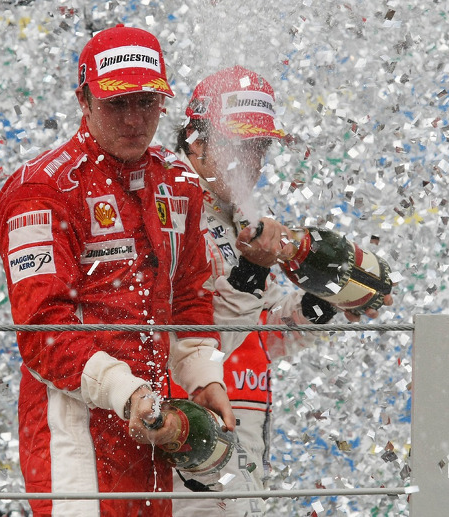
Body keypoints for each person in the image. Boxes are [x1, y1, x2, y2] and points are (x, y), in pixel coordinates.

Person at [0, 24, 235, 517]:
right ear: (84, 99)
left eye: (146, 101)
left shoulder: (178, 183)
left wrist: (205, 378)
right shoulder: (41, 191)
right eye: (116, 103)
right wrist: (127, 394)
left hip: (152, 426)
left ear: (163, 103)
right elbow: (43, 331)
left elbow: (188, 299)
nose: (133, 118)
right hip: (71, 429)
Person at [168, 66, 393, 516]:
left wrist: (320, 302)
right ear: (196, 141)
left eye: (259, 148)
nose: (251, 162)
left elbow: (261, 335)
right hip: (184, 433)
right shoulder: (171, 209)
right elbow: (187, 341)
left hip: (243, 430)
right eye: (239, 146)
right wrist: (252, 274)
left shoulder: (241, 217)